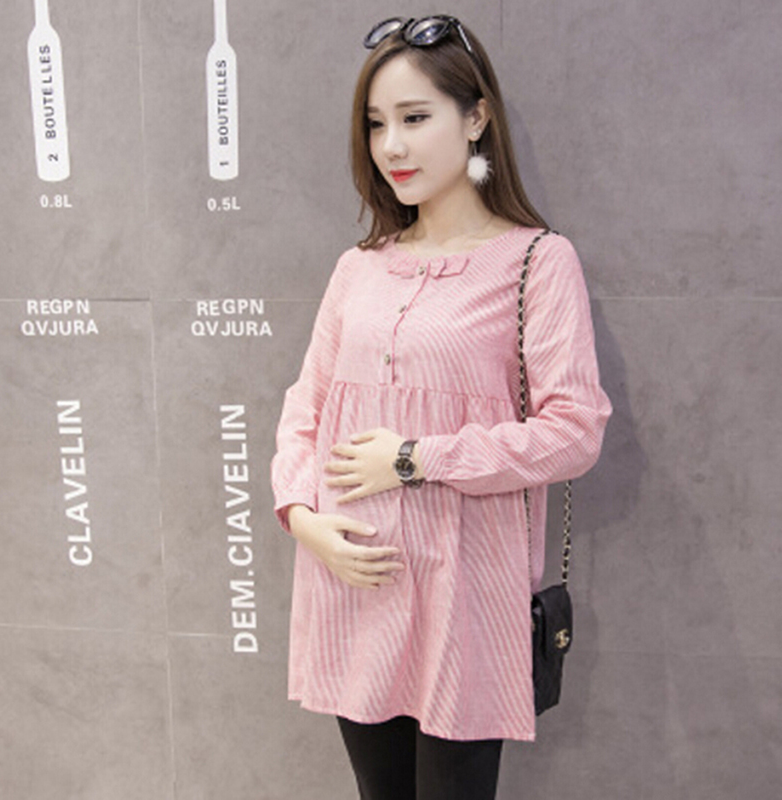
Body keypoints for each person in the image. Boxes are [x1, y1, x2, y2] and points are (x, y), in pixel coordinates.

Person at [271, 15, 612, 800]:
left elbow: (574, 432)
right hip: (354, 585)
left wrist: (414, 458)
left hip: (466, 599)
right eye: (376, 124)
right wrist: (301, 516)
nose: (391, 146)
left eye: (415, 118)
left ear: (476, 117)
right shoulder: (359, 268)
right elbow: (304, 408)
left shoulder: (535, 262)